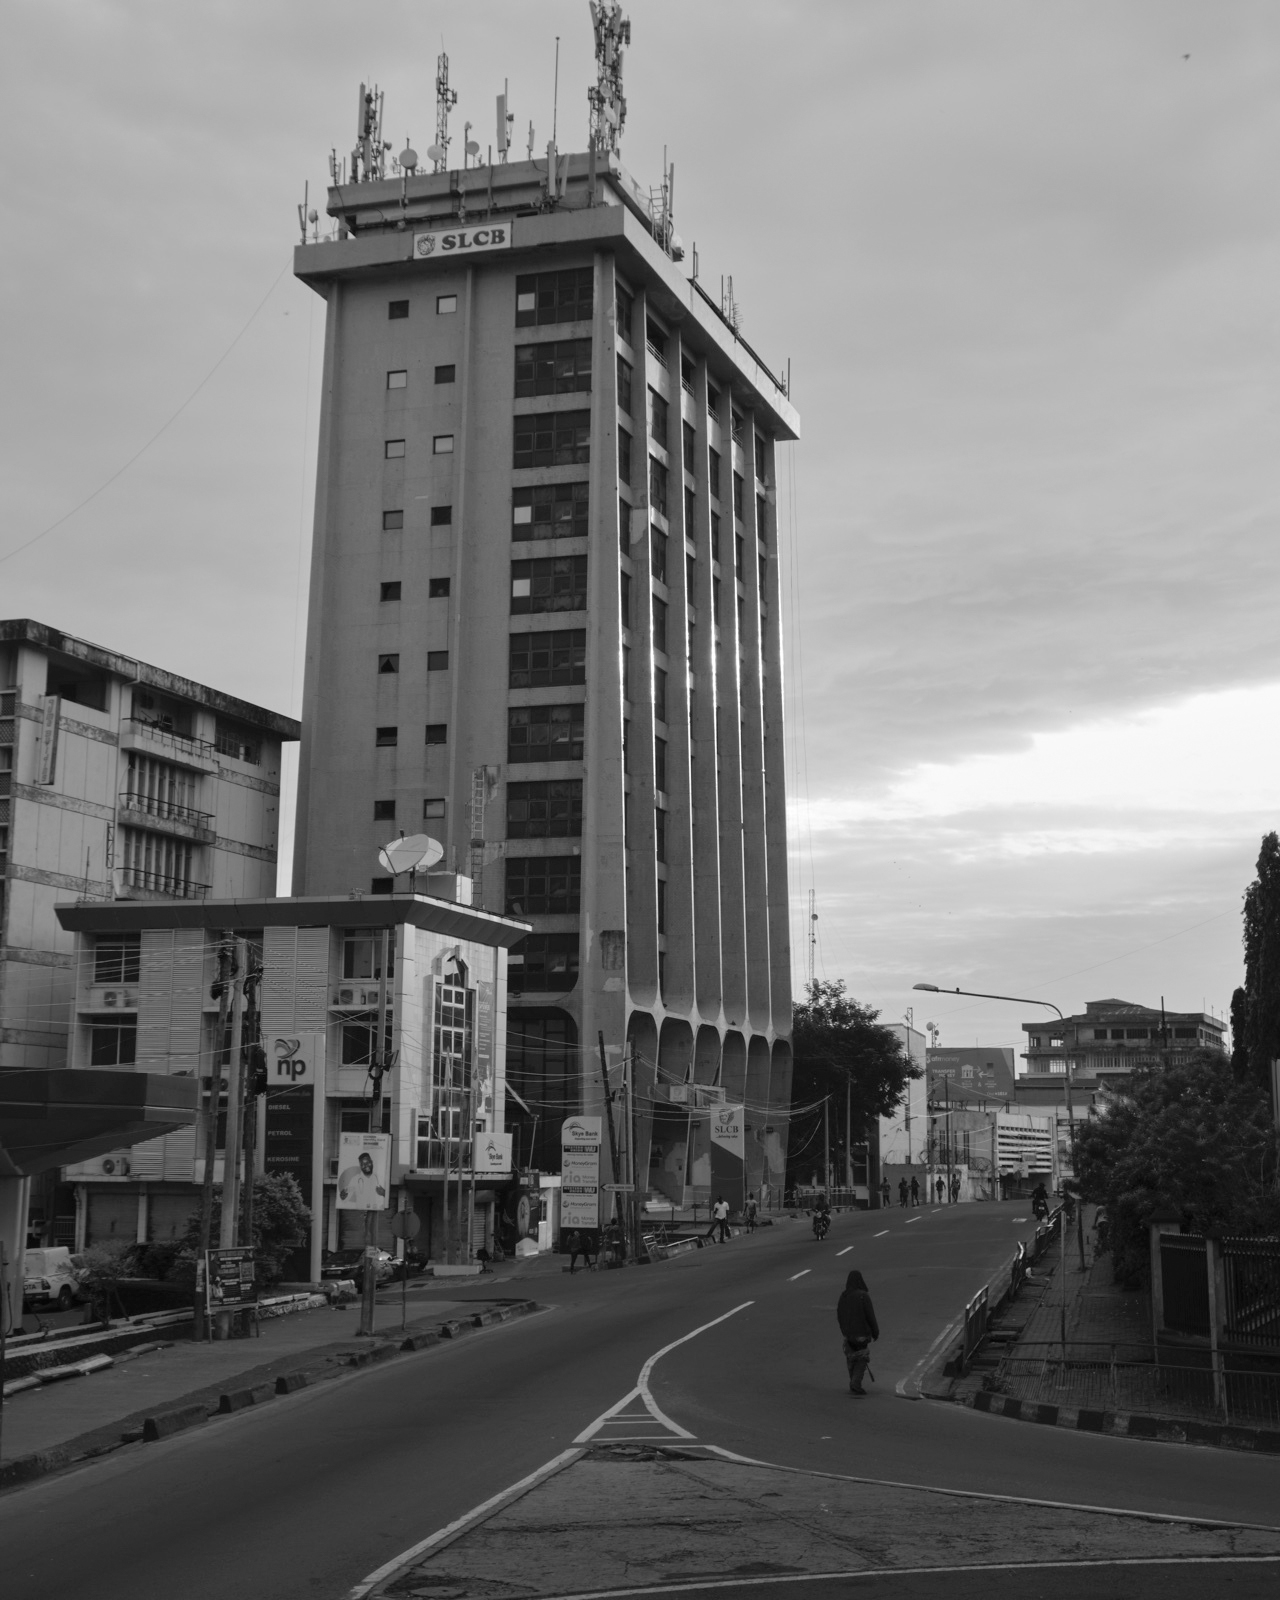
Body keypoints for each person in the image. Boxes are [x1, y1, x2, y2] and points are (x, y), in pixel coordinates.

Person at [836, 1268, 880, 1395]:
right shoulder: (863, 1295)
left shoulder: (843, 1296)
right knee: (862, 1357)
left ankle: (852, 1381)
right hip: (862, 1334)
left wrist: (844, 1330)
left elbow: (839, 1315)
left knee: (851, 1357)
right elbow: (870, 1316)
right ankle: (856, 1382)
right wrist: (875, 1332)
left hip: (848, 1335)